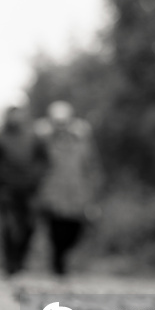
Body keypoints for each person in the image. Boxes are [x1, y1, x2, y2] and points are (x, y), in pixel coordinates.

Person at [0, 106, 50, 276]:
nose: (15, 118)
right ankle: (10, 264)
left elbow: (45, 161)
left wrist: (36, 177)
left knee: (29, 226)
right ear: (7, 116)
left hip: (29, 189)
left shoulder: (34, 138)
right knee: (7, 226)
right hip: (4, 189)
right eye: (12, 114)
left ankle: (20, 261)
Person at [36, 101, 103, 276]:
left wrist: (93, 191)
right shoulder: (44, 141)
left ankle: (62, 257)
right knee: (55, 230)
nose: (61, 126)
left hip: (77, 194)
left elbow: (91, 167)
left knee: (75, 230)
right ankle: (57, 264)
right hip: (53, 194)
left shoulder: (81, 141)